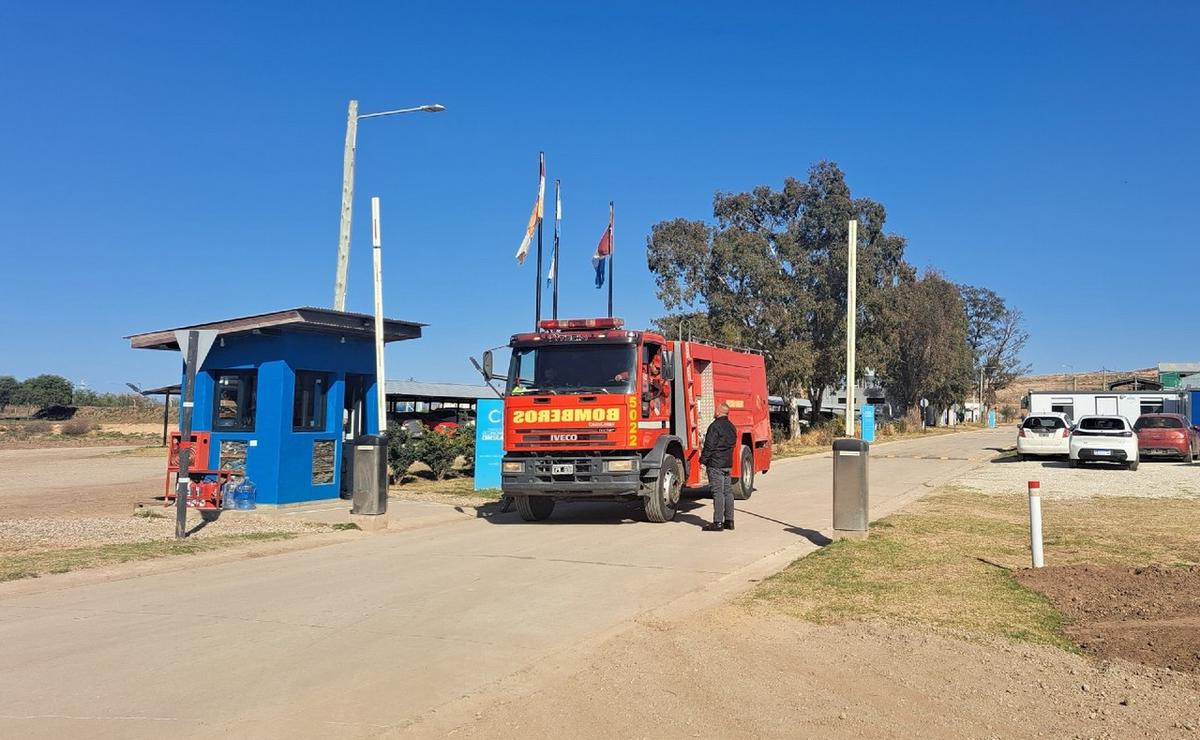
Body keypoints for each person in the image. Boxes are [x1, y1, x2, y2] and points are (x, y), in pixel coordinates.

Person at [700, 401, 737, 532]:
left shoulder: (715, 426)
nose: (714, 412)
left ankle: (718, 522)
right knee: (728, 492)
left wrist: (703, 460)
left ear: (720, 411)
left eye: (716, 410)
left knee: (718, 493)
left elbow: (709, 446)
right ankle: (729, 521)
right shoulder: (732, 427)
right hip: (727, 464)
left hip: (716, 464)